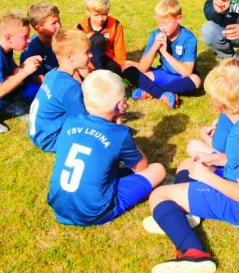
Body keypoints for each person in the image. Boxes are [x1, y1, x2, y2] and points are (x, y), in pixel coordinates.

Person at [143, 61, 239, 272]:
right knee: (187, 164)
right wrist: (216, 160)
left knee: (158, 196)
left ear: (219, 106)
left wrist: (206, 176)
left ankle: (195, 255)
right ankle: (186, 214)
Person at [47, 70, 166, 226]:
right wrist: (122, 130)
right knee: (158, 169)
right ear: (119, 105)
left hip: (59, 206)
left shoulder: (71, 121)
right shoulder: (119, 134)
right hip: (93, 212)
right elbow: (141, 167)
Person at [122, 0, 201, 110]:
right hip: (163, 73)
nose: (162, 27)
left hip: (182, 78)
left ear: (179, 19)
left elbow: (187, 71)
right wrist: (154, 47)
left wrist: (164, 52)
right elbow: (143, 67)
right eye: (159, 22)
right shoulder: (156, 34)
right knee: (126, 66)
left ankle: (150, 91)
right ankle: (161, 93)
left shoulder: (189, 38)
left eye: (166, 23)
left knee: (196, 80)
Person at [28, 29, 90, 152]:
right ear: (70, 57)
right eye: (87, 52)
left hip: (38, 133)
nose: (91, 55)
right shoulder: (70, 87)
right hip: (51, 139)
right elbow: (84, 123)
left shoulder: (52, 74)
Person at [77, 0, 126, 76]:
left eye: (104, 14)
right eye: (96, 15)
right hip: (89, 64)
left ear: (108, 10)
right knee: (97, 38)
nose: (100, 19)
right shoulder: (81, 27)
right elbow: (78, 52)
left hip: (109, 62)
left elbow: (120, 54)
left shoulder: (116, 25)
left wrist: (121, 69)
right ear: (87, 10)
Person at [20, 2, 62, 102]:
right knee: (36, 93)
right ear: (39, 28)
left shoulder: (61, 40)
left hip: (58, 78)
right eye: (54, 23)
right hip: (38, 83)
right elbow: (39, 78)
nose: (59, 25)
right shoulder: (32, 49)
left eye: (59, 21)